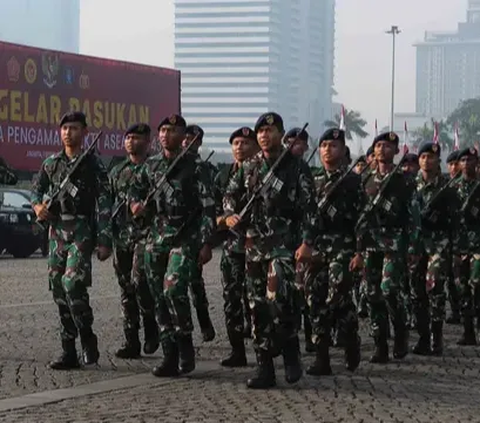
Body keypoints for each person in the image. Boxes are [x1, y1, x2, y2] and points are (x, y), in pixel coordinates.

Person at [223, 112, 316, 389]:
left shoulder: (296, 167)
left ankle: (290, 352)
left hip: (284, 246)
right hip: (253, 247)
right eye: (260, 131)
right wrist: (230, 214)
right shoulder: (248, 166)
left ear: (281, 133)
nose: (264, 135)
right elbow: (230, 194)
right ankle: (265, 368)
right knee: (257, 308)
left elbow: (310, 209)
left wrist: (307, 242)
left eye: (270, 130)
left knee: (277, 299)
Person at [130, 114, 216, 377]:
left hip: (185, 238)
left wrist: (205, 243)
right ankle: (169, 353)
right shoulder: (151, 166)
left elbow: (208, 209)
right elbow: (134, 190)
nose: (167, 135)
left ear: (183, 136)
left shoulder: (196, 167)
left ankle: (185, 340)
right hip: (156, 239)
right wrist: (135, 205)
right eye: (163, 130)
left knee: (174, 288)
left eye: (173, 131)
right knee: (157, 297)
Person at [31, 111, 112, 369]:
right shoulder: (51, 163)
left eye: (74, 128)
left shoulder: (93, 164)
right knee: (57, 286)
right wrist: (37, 207)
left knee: (72, 282)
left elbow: (104, 202)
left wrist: (104, 239)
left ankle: (87, 335)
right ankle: (68, 350)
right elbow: (36, 189)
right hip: (56, 230)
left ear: (84, 132)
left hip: (81, 228)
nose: (69, 132)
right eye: (65, 128)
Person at [357, 131, 420, 363]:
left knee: (389, 290)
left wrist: (413, 246)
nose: (382, 149)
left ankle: (401, 331)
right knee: (371, 293)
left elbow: (413, 216)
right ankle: (380, 343)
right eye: (379, 145)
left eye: (388, 146)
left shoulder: (404, 180)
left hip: (394, 243)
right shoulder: (365, 179)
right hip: (370, 244)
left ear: (396, 151)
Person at [306, 128, 363, 376]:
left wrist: (360, 252)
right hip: (316, 248)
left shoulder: (353, 181)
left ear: (343, 151)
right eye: (324, 145)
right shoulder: (311, 179)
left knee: (336, 298)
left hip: (342, 246)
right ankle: (322, 358)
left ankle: (351, 340)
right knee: (314, 299)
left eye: (334, 146)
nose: (328, 150)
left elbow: (362, 220)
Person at [110, 123, 159, 359]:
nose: (131, 141)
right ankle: (131, 341)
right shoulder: (117, 171)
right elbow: (107, 202)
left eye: (137, 137)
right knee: (126, 289)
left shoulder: (155, 169)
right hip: (122, 237)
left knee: (140, 282)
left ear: (148, 142)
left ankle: (151, 325)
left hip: (146, 235)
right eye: (128, 137)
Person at [215, 126, 258, 367]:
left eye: (245, 142)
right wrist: (223, 220)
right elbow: (211, 211)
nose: (240, 147)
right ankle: (237, 350)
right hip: (231, 245)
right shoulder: (222, 176)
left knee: (257, 299)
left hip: (258, 244)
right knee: (231, 297)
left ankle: (266, 350)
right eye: (236, 143)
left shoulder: (262, 173)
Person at [410, 142, 458, 356]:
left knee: (435, 286)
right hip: (417, 244)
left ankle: (436, 337)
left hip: (439, 244)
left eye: (431, 157)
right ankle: (422, 336)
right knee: (416, 290)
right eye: (423, 157)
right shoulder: (409, 184)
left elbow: (456, 218)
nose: (426, 160)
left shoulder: (447, 187)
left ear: (438, 160)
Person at [182, 124, 216, 342]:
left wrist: (206, 241)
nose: (187, 142)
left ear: (199, 142)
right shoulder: (171, 166)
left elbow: (210, 207)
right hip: (172, 233)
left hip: (194, 233)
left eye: (193, 139)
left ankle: (204, 323)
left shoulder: (205, 170)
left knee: (195, 282)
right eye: (185, 138)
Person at [284, 126, 314, 353]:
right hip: (275, 241)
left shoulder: (303, 170)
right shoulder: (275, 166)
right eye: (292, 140)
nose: (296, 144)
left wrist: (307, 241)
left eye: (301, 142)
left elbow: (309, 209)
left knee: (301, 288)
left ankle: (308, 336)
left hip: (298, 239)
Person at [452, 147, 480, 345]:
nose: (467, 163)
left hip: (478, 245)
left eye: (471, 160)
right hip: (459, 245)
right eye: (464, 160)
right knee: (462, 289)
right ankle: (468, 330)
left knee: (477, 285)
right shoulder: (451, 188)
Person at [444, 150, 462, 324]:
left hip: (464, 237)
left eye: (457, 163)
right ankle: (455, 310)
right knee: (451, 276)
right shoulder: (445, 185)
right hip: (446, 237)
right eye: (451, 164)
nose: (454, 167)